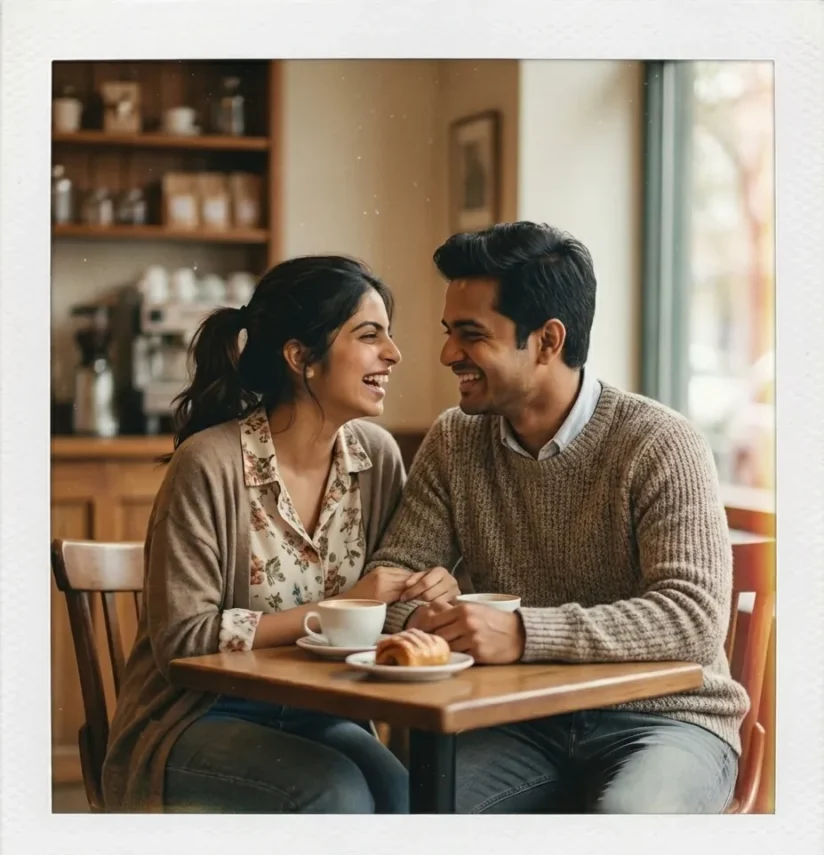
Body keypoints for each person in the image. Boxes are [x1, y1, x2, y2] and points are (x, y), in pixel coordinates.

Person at [365, 222, 749, 814]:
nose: (446, 355)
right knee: (425, 821)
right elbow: (392, 584)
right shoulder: (456, 439)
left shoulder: (659, 442)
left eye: (471, 335)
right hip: (517, 721)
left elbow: (692, 618)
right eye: (449, 333)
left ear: (547, 340)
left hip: (666, 724)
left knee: (621, 832)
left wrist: (523, 634)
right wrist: (428, 605)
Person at [101, 255, 459, 813]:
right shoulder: (210, 463)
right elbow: (182, 639)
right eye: (370, 336)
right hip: (196, 715)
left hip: (322, 710)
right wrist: (340, 605)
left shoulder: (378, 458)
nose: (393, 354)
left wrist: (426, 597)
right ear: (300, 357)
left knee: (402, 791)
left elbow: (385, 604)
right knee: (334, 794)